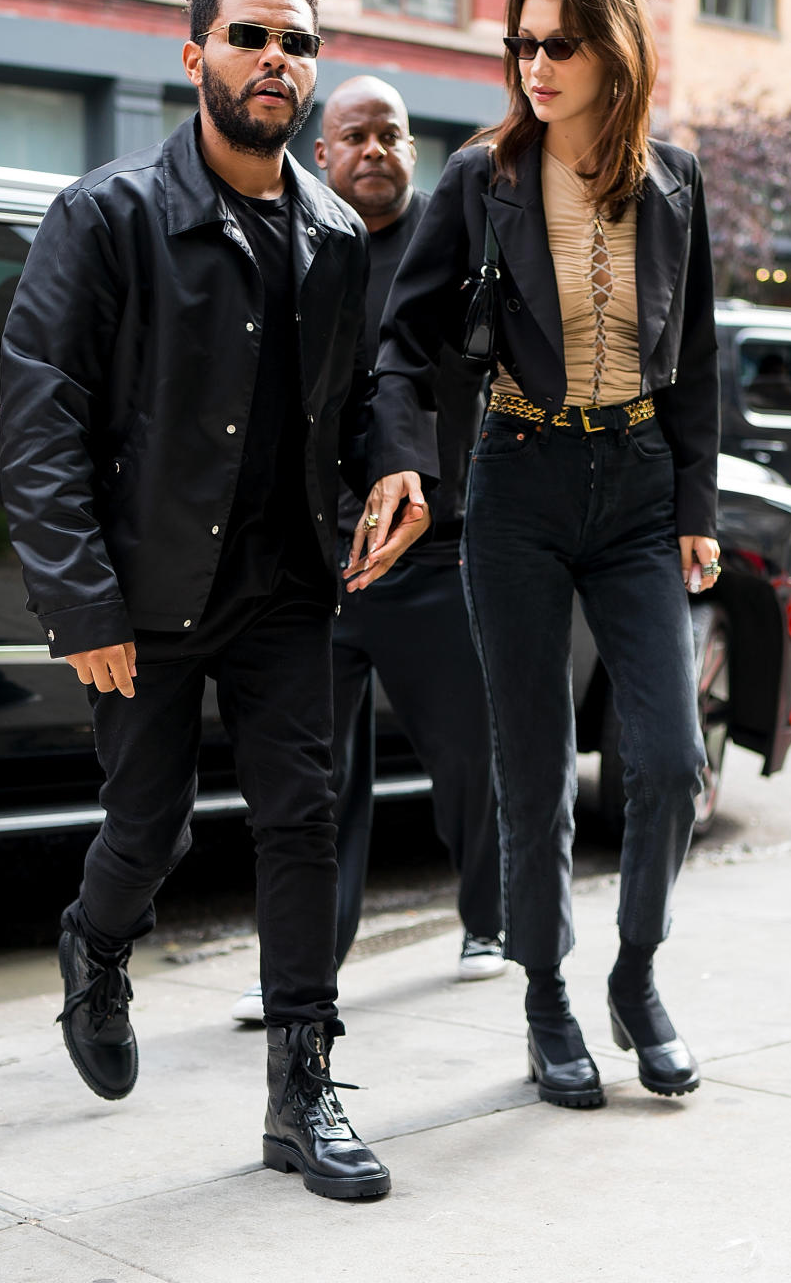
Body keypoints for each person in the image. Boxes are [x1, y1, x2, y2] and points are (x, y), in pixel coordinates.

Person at [0, 0, 430, 1202]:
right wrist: (80, 600)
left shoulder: (334, 238)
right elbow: (39, 417)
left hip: (289, 588)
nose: (276, 61)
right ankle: (94, 940)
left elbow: (356, 398)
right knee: (153, 825)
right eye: (250, 38)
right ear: (195, 54)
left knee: (304, 821)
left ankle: (301, 1092)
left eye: (297, 43)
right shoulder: (106, 218)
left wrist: (396, 455)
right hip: (143, 591)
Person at [354, 0, 721, 1109]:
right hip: (515, 477)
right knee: (535, 764)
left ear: (615, 48)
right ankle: (545, 995)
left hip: (639, 485)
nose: (537, 66)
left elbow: (697, 360)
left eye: (560, 43)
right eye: (522, 44)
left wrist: (697, 511)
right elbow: (402, 345)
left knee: (668, 762)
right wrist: (408, 465)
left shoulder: (676, 182)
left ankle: (638, 974)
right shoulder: (482, 177)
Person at [231, 76, 504, 1024]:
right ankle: (308, 964)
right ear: (323, 154)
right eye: (354, 136)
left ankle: (489, 919)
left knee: (465, 752)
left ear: (411, 152)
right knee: (314, 777)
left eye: (391, 134)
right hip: (322, 558)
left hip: (436, 546)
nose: (374, 150)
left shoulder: (452, 243)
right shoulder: (306, 248)